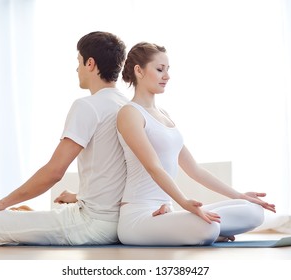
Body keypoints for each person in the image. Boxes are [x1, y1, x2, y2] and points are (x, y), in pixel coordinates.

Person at [0, 31, 128, 245]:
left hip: (91, 224)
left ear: (90, 63)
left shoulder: (87, 106)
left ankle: (23, 216)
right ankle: (28, 217)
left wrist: (2, 203)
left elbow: (54, 172)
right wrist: (77, 196)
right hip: (119, 223)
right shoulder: (128, 106)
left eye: (79, 62)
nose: (77, 69)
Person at [116, 42, 276, 246]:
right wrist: (184, 203)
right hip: (138, 218)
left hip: (165, 213)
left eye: (167, 70)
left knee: (253, 211)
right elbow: (153, 167)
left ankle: (192, 227)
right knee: (207, 227)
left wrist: (239, 194)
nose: (167, 76)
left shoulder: (164, 115)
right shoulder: (130, 113)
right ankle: (201, 229)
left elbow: (195, 170)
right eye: (159, 69)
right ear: (139, 71)